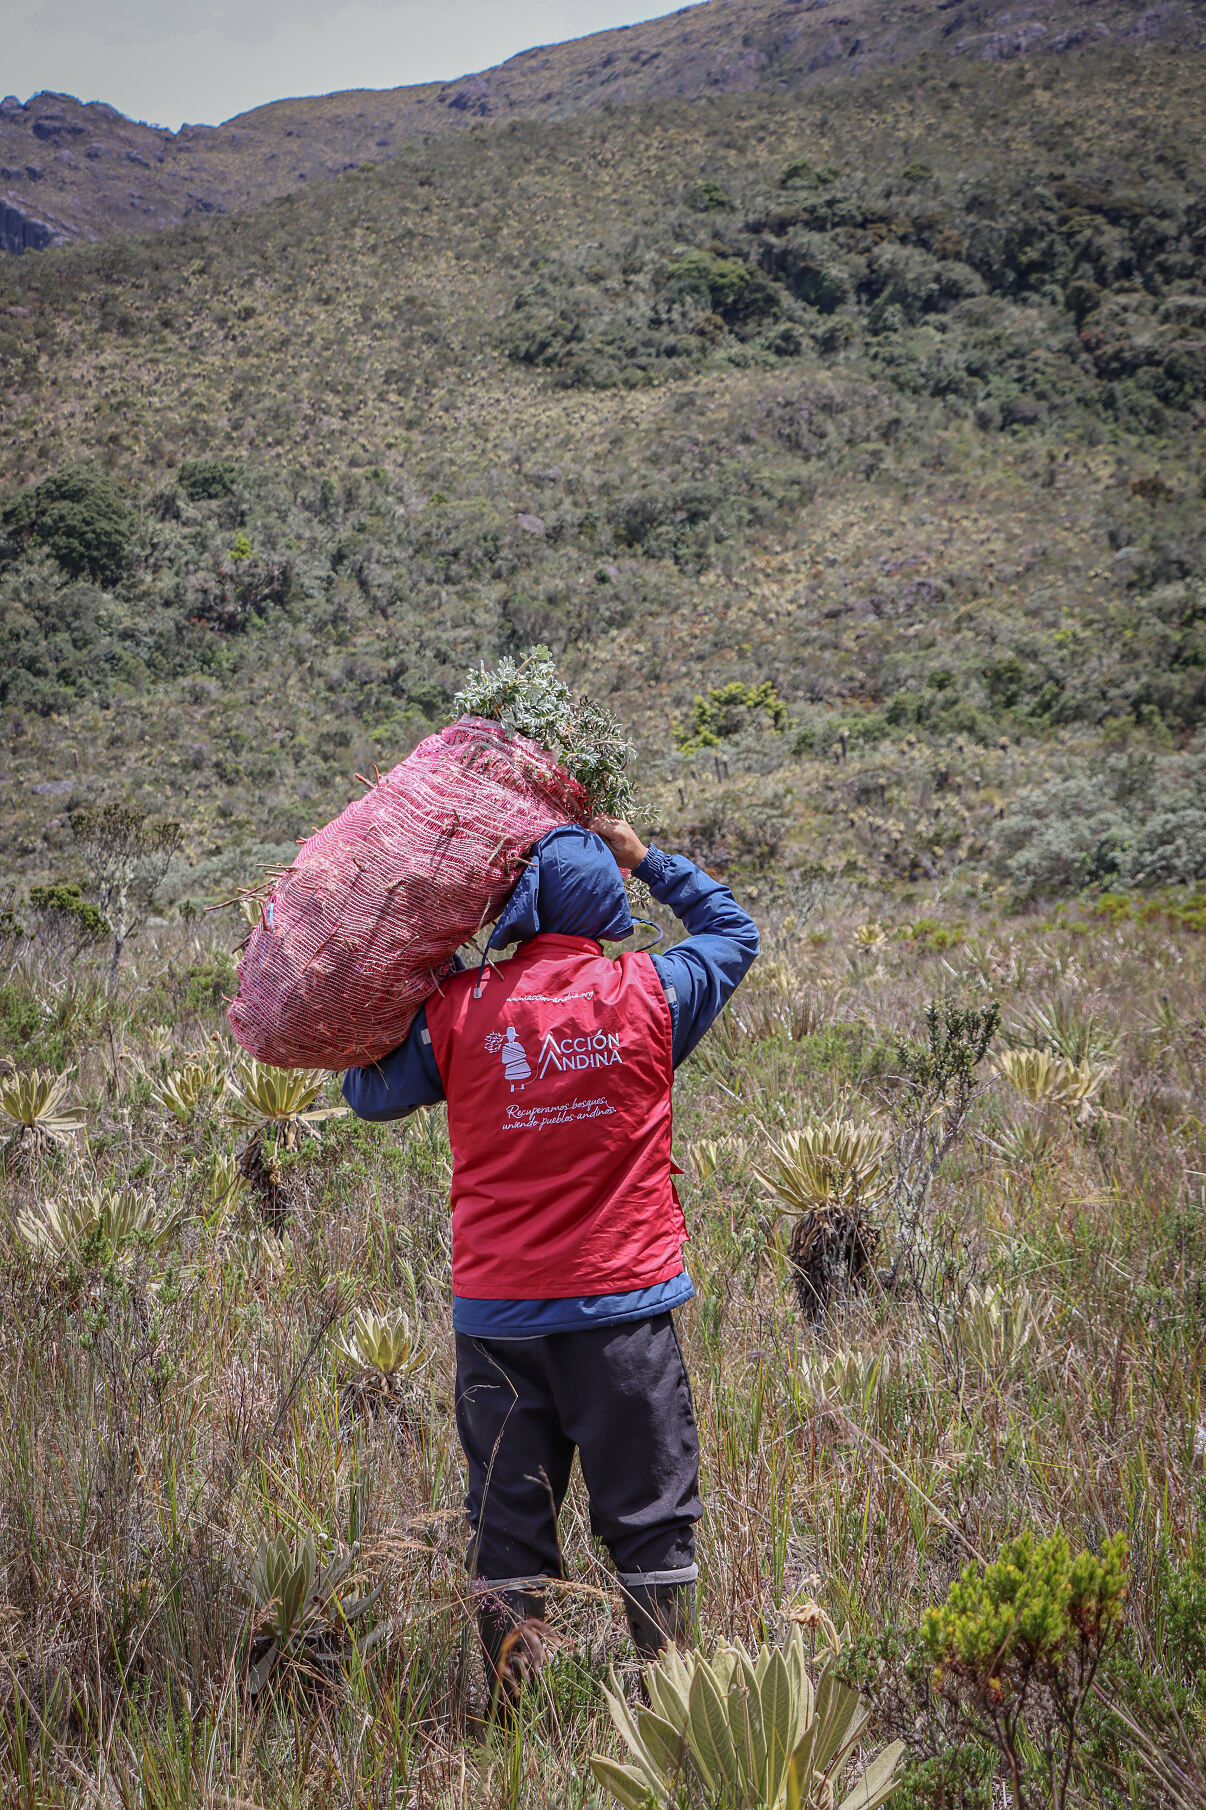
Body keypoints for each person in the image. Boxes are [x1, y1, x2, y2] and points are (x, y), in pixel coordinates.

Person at [342, 815, 759, 1704]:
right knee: (650, 1522)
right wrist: (649, 859)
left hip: (497, 1322)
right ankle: (671, 1701)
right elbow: (735, 933)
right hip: (623, 1316)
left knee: (507, 1522)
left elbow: (365, 1091)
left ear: (519, 907)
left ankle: (515, 1717)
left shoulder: (460, 1011)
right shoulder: (655, 992)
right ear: (608, 903)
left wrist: (421, 970)